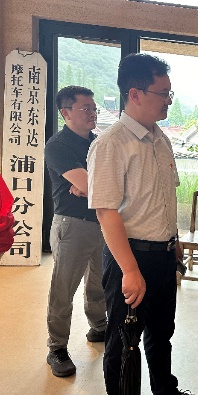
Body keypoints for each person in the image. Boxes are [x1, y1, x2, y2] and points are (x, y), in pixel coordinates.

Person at [87, 53, 198, 395]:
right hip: (131, 256)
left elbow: (163, 197)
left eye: (170, 93)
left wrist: (175, 239)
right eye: (163, 93)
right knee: (123, 340)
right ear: (135, 94)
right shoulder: (110, 144)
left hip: (163, 254)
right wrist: (130, 270)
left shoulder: (160, 138)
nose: (168, 100)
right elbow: (106, 212)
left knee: (161, 332)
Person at [44, 85, 107, 378]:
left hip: (102, 222)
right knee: (63, 288)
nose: (92, 113)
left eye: (94, 108)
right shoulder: (58, 145)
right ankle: (56, 347)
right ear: (65, 113)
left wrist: (88, 186)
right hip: (72, 225)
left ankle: (99, 326)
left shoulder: (98, 142)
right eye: (86, 109)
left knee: (98, 282)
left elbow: (109, 180)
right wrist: (88, 185)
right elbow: (90, 184)